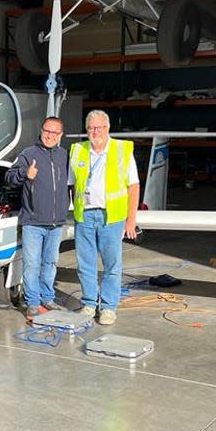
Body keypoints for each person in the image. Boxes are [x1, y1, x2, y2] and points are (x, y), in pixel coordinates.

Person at [68, 109, 139, 325]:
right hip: (85, 216)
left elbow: (133, 186)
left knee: (112, 264)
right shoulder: (78, 150)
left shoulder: (122, 150)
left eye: (99, 127)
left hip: (112, 217)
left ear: (107, 128)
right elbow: (72, 185)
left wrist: (131, 220)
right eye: (91, 128)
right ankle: (90, 303)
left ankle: (108, 307)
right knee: (85, 263)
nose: (95, 131)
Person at [6, 116, 69, 319]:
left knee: (50, 262)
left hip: (56, 221)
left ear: (60, 136)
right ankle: (32, 302)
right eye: (47, 131)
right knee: (32, 264)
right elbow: (9, 177)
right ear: (41, 131)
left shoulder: (64, 155)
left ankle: (47, 298)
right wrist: (25, 173)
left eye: (54, 133)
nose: (49, 136)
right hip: (33, 221)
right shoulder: (28, 154)